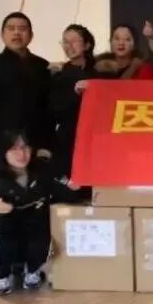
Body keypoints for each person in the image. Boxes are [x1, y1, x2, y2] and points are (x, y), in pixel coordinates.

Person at [0, 12, 54, 287]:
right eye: (11, 28)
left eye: (22, 28)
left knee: (31, 208)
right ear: (2, 34)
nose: (17, 33)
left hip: (32, 150)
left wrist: (45, 146)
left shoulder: (42, 67)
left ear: (31, 34)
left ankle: (26, 265)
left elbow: (48, 111)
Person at [0, 132, 80, 296]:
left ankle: (32, 271)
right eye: (14, 149)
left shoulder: (41, 173)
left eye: (25, 148)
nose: (21, 154)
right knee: (3, 245)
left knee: (40, 244)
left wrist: (73, 188)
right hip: (8, 227)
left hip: (35, 225)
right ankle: (1, 277)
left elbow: (60, 190)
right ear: (4, 152)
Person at [49, 25, 97, 191]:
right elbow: (55, 109)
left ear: (87, 44)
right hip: (68, 137)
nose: (69, 45)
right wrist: (75, 94)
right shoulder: (58, 74)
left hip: (95, 138)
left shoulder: (100, 71)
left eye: (74, 41)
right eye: (65, 41)